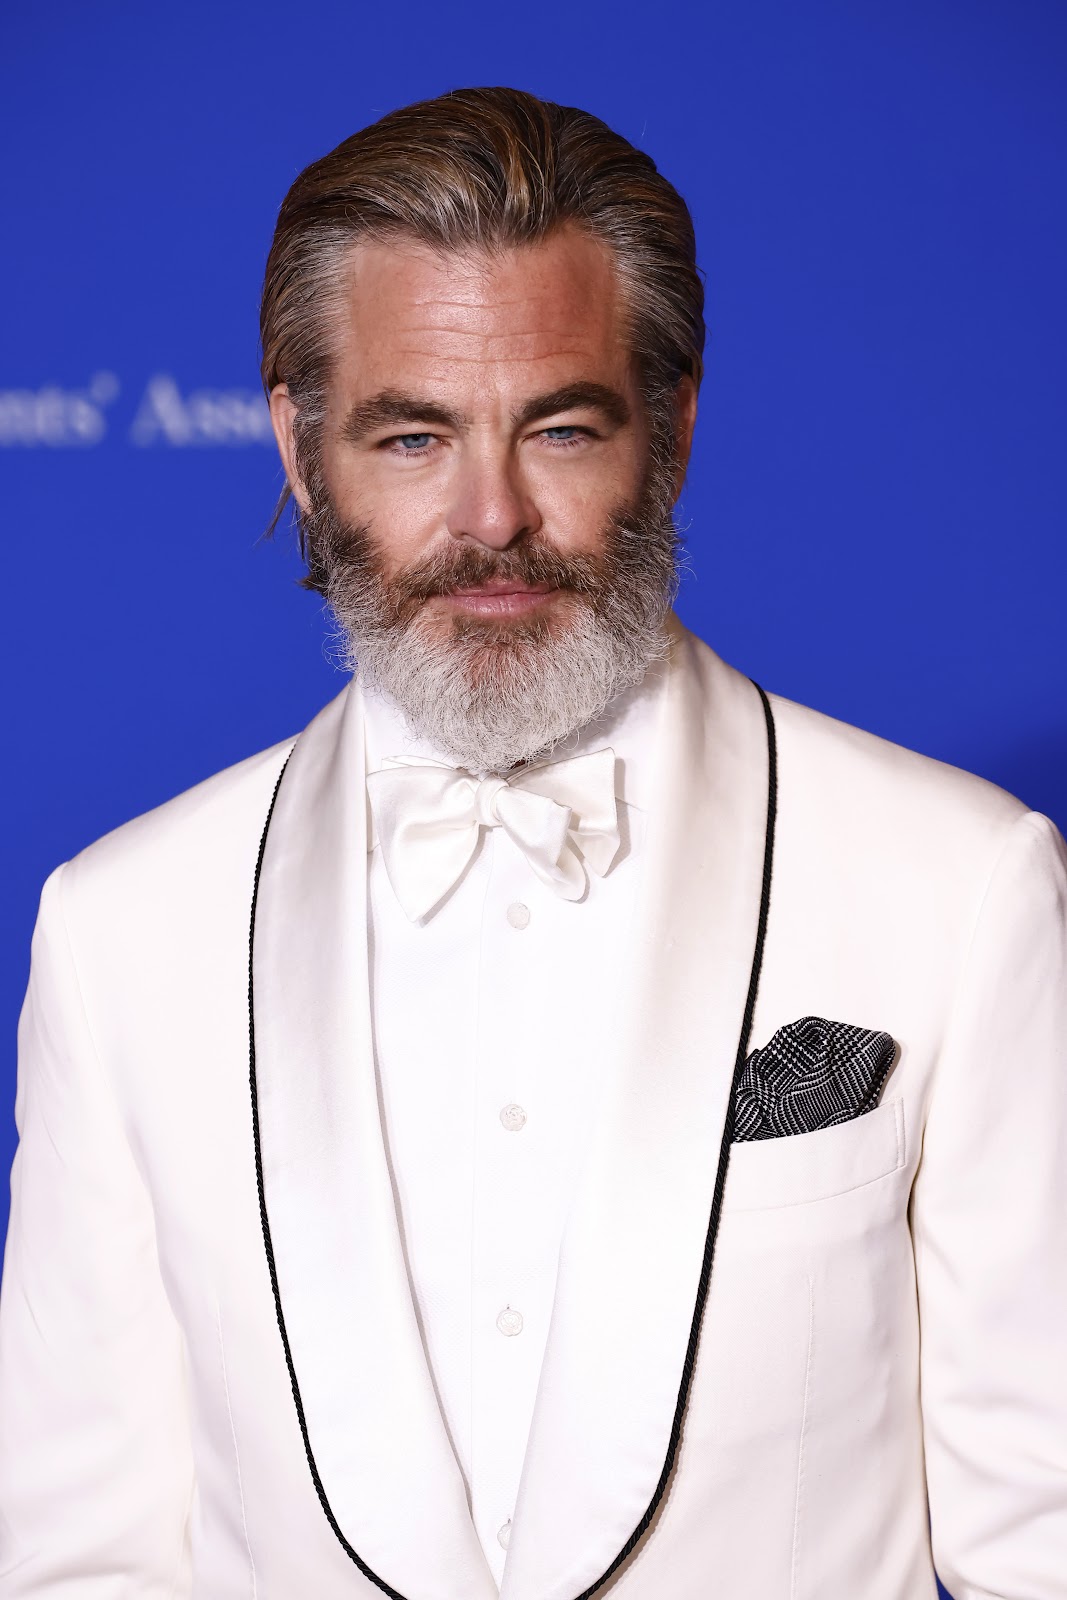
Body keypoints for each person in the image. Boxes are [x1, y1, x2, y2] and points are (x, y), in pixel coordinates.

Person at [0, 86, 1064, 1600]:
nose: (491, 517)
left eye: (560, 426)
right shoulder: (119, 931)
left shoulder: (966, 886)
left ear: (675, 432)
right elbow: (79, 1561)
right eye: (413, 435)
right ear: (302, 450)